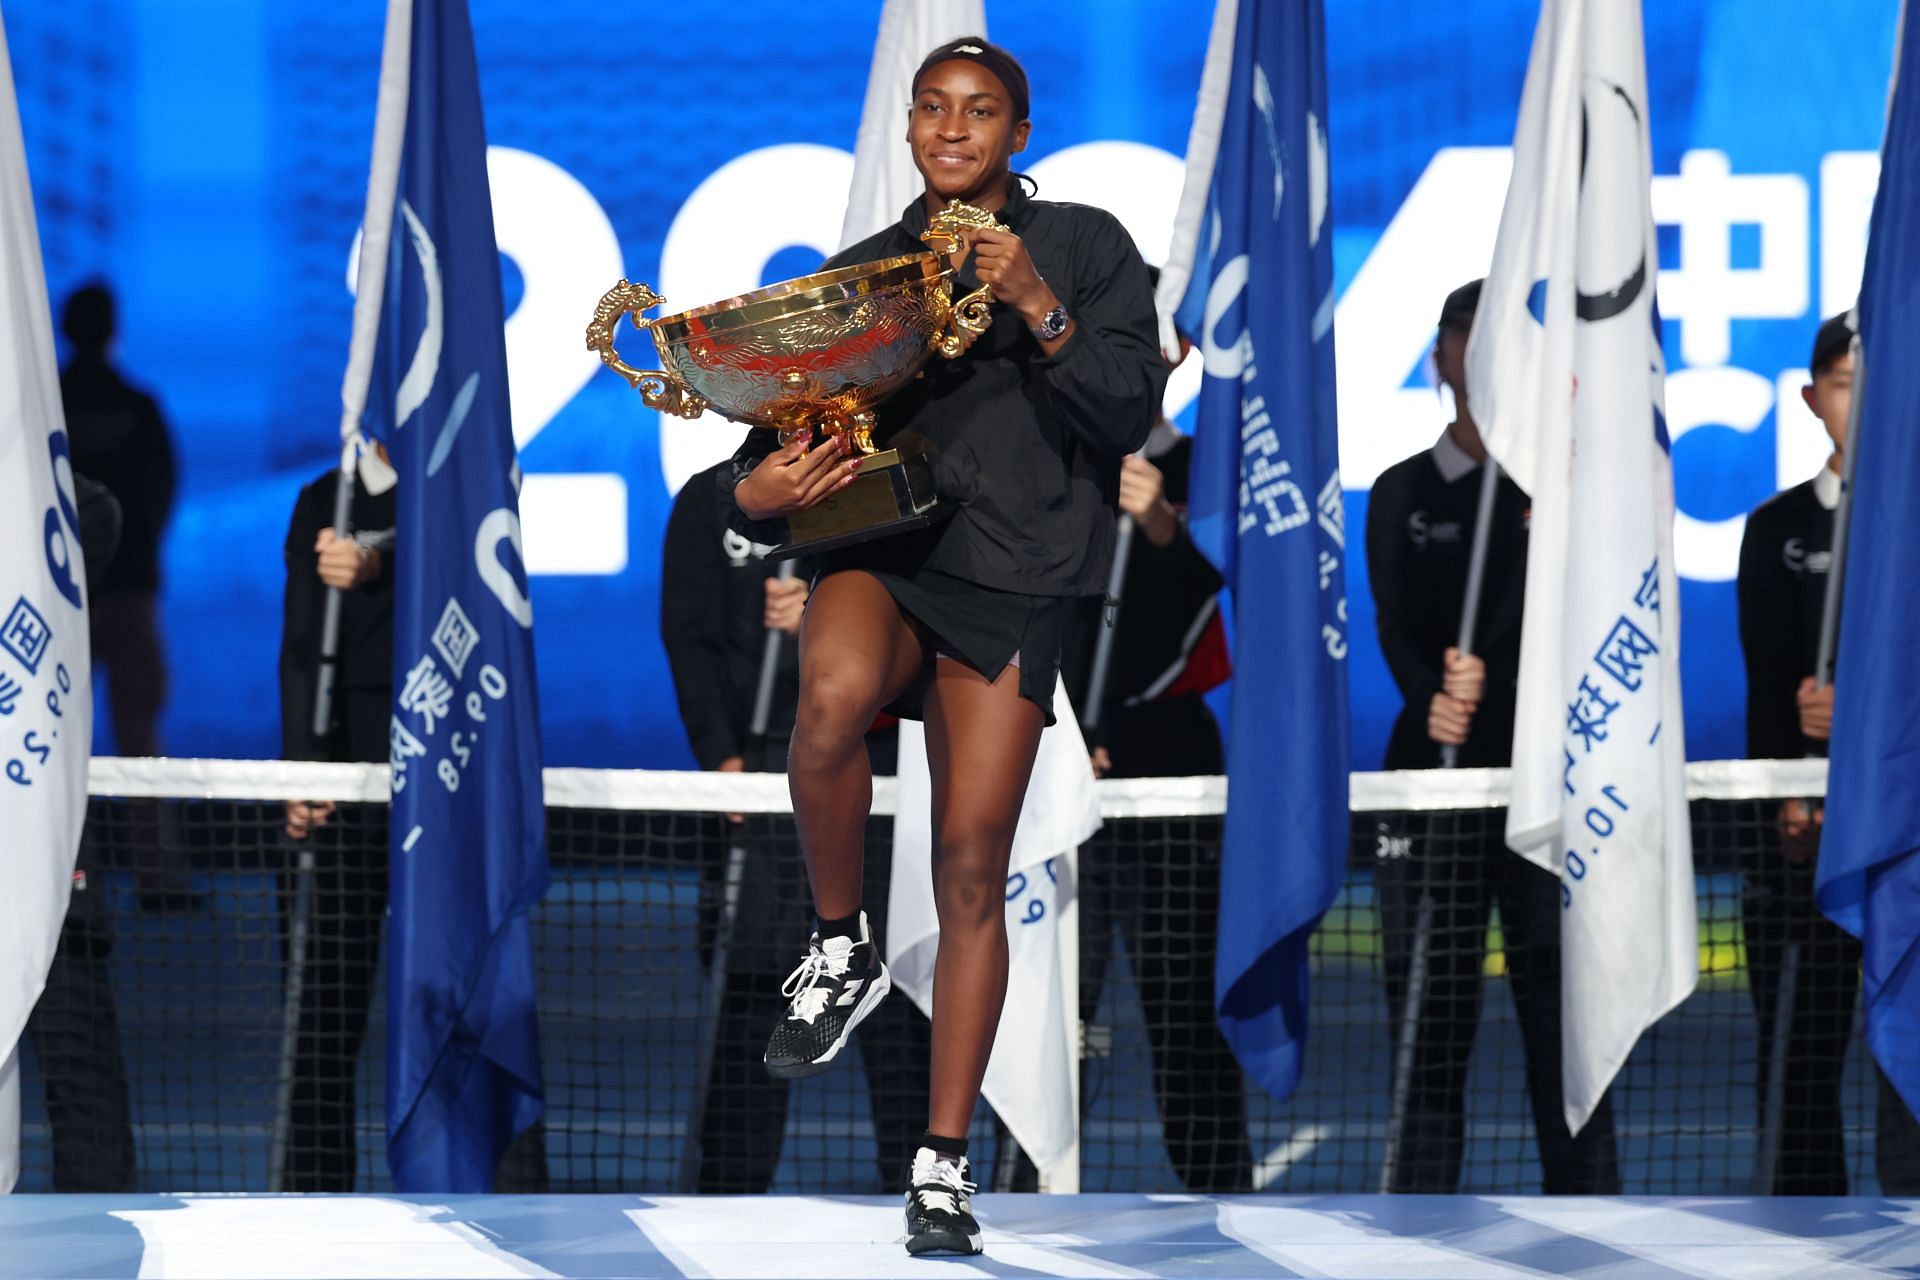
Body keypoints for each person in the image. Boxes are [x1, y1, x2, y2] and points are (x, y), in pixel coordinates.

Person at [728, 37, 1165, 1255]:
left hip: (1021, 578)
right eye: (933, 109)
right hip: (888, 551)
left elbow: (1129, 408)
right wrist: (753, 495)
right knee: (829, 703)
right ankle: (836, 939)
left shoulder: (1081, 243)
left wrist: (1036, 301)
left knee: (970, 865)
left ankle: (942, 1164)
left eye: (980, 110)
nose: (953, 127)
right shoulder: (862, 273)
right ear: (909, 132)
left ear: (1018, 133)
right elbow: (766, 435)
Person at [1364, 279, 1620, 1194]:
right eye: (1460, 342)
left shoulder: (1553, 490)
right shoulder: (1398, 490)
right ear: (1439, 361)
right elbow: (1393, 618)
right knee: (1431, 1008)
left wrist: (1501, 683)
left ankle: (1591, 1207)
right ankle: (1422, 1212)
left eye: (1494, 344)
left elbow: (1586, 615)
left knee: (1558, 1005)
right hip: (1429, 782)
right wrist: (1432, 693)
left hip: (1538, 780)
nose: (1475, 361)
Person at [660, 459, 930, 1193]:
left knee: (894, 991)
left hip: (870, 781)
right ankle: (729, 1189)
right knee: (754, 992)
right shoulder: (711, 497)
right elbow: (688, 633)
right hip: (755, 778)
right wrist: (721, 756)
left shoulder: (878, 478)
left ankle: (911, 1180)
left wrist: (825, 617)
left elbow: (919, 621)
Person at [1060, 314, 1252, 1192]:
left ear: (1175, 351)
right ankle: (1028, 1189)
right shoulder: (1053, 451)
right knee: (1054, 1001)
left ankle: (1222, 1190)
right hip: (1056, 760)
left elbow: (1219, 609)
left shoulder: (1218, 468)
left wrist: (1166, 530)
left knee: (1182, 1006)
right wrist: (1067, 730)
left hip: (1172, 768)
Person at [1735, 312, 1920, 1196]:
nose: (1863, 402)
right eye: (1845, 384)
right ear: (1813, 399)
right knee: (1801, 1056)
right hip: (1801, 838)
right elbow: (1766, 678)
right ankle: (1806, 1237)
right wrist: (1791, 794)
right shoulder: (1775, 528)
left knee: (1904, 1046)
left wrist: (1866, 716)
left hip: (1901, 840)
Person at [23, 473, 137, 1192]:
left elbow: (98, 512)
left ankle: (100, 1238)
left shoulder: (71, 514)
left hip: (46, 842)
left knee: (77, 1047)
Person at [59, 282, 186, 909]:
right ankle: (155, 880)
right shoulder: (138, 406)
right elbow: (161, 497)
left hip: (61, 605)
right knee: (139, 737)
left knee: (54, 740)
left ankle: (68, 884)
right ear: (112, 329)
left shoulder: (43, 403)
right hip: (124, 596)